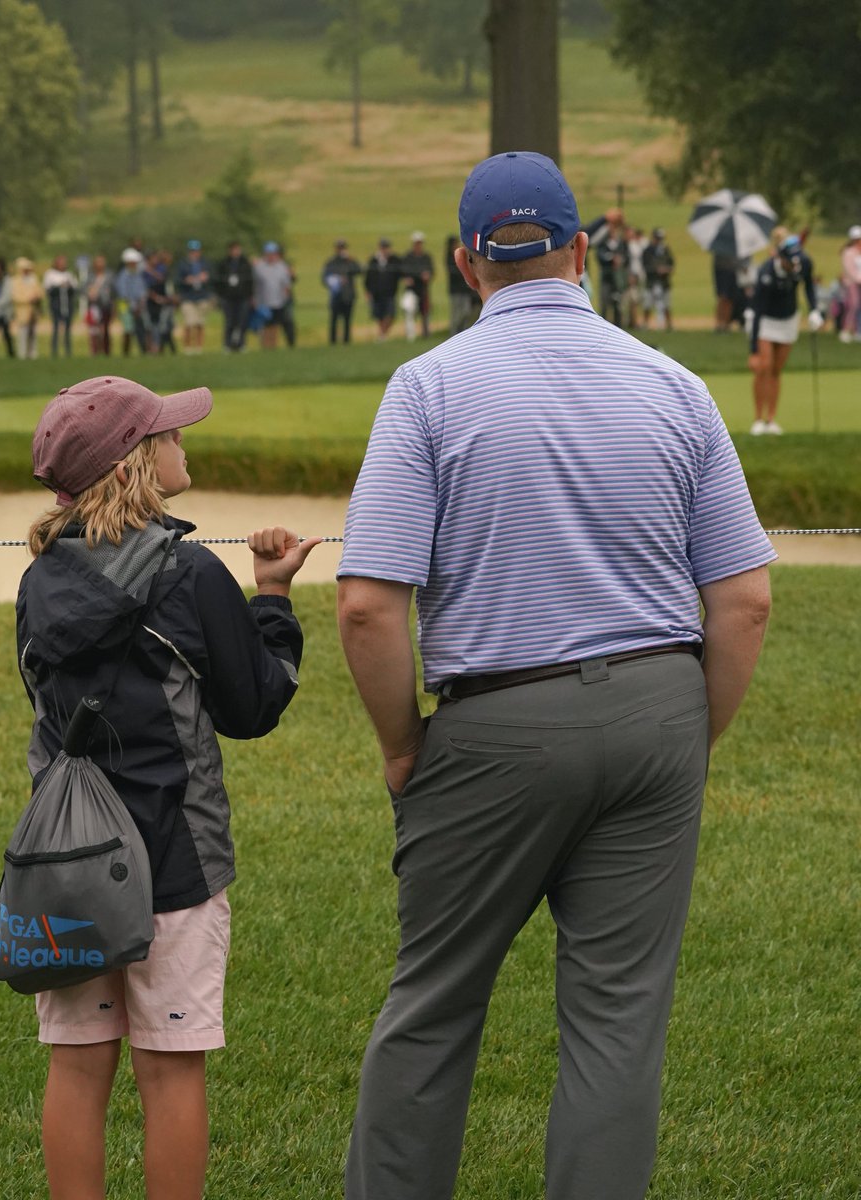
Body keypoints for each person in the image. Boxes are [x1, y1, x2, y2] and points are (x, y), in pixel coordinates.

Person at [337, 150, 775, 1200]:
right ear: (582, 250)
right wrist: (686, 735)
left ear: (466, 263)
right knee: (619, 1021)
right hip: (662, 702)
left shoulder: (429, 386)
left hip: (493, 722)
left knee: (435, 1007)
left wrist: (403, 745)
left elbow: (366, 604)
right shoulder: (674, 383)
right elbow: (746, 599)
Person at [20, 374, 320, 1200]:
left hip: (65, 863)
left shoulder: (39, 578)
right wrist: (272, 595)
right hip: (176, 864)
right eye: (169, 434)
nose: (184, 441)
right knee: (171, 1073)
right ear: (136, 462)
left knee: (77, 1068)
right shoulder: (188, 574)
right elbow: (255, 704)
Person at [747, 228, 823, 435]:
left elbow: (808, 287)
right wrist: (753, 349)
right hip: (766, 321)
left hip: (789, 319)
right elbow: (757, 311)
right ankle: (757, 419)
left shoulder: (803, 263)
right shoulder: (766, 273)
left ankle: (771, 420)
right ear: (779, 257)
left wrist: (814, 310)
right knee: (764, 366)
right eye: (790, 260)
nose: (795, 264)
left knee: (776, 371)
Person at [252, 241, 295, 349]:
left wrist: (287, 297)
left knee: (278, 325)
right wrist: (255, 299)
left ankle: (276, 346)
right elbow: (255, 285)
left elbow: (287, 284)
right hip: (264, 302)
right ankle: (266, 347)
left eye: (273, 253)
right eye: (269, 253)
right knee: (266, 326)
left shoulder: (282, 266)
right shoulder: (259, 267)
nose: (271, 256)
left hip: (280, 301)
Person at [214, 240, 253, 352]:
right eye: (234, 249)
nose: (236, 252)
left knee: (242, 321)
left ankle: (241, 344)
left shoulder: (245, 263)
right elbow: (218, 281)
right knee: (229, 321)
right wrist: (221, 295)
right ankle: (227, 344)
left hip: (243, 297)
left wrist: (250, 295)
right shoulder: (223, 264)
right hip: (228, 297)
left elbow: (250, 281)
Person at [321, 238, 362, 345]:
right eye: (339, 248)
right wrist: (336, 280)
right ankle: (333, 342)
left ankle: (346, 341)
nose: (341, 250)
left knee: (347, 320)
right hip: (336, 296)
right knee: (334, 320)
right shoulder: (331, 262)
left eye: (343, 247)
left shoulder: (350, 261)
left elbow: (359, 270)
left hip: (348, 295)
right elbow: (325, 278)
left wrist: (351, 260)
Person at [176, 239, 211, 354]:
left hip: (202, 296)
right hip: (188, 297)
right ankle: (188, 348)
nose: (194, 253)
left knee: (200, 323)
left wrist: (205, 278)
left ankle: (199, 348)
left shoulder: (204, 263)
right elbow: (177, 280)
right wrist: (186, 280)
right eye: (192, 251)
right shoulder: (182, 264)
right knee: (189, 323)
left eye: (196, 250)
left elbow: (213, 278)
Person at [364, 238, 401, 340]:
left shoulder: (394, 260)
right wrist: (367, 291)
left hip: (390, 292)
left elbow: (400, 271)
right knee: (379, 315)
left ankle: (382, 335)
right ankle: (383, 335)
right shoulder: (373, 260)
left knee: (390, 314)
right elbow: (368, 277)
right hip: (376, 293)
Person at [595, 213, 628, 326]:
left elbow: (626, 257)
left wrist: (620, 260)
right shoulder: (603, 243)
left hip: (617, 277)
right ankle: (603, 325)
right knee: (604, 302)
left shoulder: (621, 244)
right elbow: (600, 256)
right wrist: (611, 259)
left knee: (617, 302)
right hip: (606, 276)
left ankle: (618, 325)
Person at [43, 255, 78, 357]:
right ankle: (54, 351)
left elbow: (74, 289)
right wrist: (59, 287)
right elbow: (48, 290)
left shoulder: (69, 274)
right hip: (56, 305)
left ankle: (68, 351)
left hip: (67, 304)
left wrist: (68, 286)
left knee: (67, 329)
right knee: (55, 328)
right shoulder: (50, 274)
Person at [401, 231, 434, 337]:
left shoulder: (426, 257)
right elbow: (404, 271)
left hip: (423, 289)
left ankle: (426, 332)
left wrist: (428, 275)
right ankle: (411, 335)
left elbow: (431, 271)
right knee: (410, 312)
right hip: (411, 289)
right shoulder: (408, 257)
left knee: (425, 311)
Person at [115, 248, 148, 356]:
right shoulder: (123, 276)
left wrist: (140, 304)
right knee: (128, 329)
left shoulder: (138, 275)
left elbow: (142, 290)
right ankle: (126, 352)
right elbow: (123, 293)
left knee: (141, 328)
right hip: (125, 306)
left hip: (138, 305)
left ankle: (143, 351)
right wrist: (133, 306)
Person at [641, 227, 675, 331]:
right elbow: (645, 265)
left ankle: (669, 325)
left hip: (664, 282)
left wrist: (667, 270)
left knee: (666, 304)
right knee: (647, 303)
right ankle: (645, 324)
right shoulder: (647, 250)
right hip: (651, 281)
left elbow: (671, 263)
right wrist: (657, 270)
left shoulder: (665, 250)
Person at [445, 235, 479, 334]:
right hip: (455, 289)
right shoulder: (450, 258)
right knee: (456, 313)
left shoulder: (459, 256)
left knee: (465, 311)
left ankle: (462, 332)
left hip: (464, 289)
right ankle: (454, 333)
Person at [13, 257, 44, 359]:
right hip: (23, 311)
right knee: (23, 333)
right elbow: (15, 296)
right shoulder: (16, 280)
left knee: (33, 334)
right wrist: (28, 299)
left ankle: (33, 354)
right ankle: (22, 355)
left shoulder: (33, 278)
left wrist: (37, 296)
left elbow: (40, 291)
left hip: (33, 311)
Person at [84, 255, 116, 356]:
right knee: (94, 330)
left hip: (106, 305)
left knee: (105, 329)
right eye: (98, 262)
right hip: (94, 306)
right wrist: (90, 292)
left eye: (101, 262)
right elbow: (83, 288)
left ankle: (106, 351)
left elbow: (114, 291)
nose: (100, 264)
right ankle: (95, 351)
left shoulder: (109, 276)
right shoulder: (90, 276)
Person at [837, 224, 861, 343]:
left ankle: (858, 330)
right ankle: (846, 330)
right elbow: (850, 270)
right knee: (853, 305)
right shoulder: (849, 252)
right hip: (852, 283)